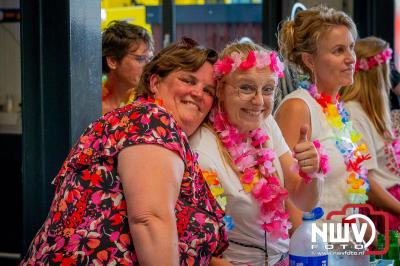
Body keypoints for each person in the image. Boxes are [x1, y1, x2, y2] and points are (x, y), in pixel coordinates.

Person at [21, 38, 228, 265]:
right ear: (155, 83)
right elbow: (150, 220)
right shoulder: (151, 119)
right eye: (188, 80)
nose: (198, 93)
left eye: (208, 90)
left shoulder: (138, 121)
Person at [190, 41, 324, 266]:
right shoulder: (202, 150)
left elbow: (304, 200)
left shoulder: (266, 124)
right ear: (221, 88)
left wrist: (312, 172)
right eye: (246, 87)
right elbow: (195, 245)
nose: (259, 101)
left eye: (268, 89)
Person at [276, 5, 371, 229]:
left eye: (351, 47)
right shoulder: (298, 107)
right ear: (309, 61)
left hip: (346, 246)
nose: (350, 58)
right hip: (317, 251)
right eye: (338, 50)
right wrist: (307, 251)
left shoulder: (337, 108)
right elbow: (287, 194)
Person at [340, 36, 400, 232]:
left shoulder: (370, 111)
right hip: (385, 211)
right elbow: (368, 181)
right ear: (378, 74)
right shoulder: (355, 115)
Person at [102, 20, 154, 114]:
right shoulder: (87, 100)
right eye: (140, 59)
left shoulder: (153, 102)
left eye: (150, 59)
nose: (149, 66)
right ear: (112, 61)